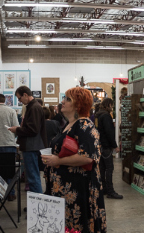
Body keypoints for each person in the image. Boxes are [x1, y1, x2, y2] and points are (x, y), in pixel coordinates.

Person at [41, 87, 106, 232]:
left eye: (68, 99)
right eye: (64, 98)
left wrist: (57, 161)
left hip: (79, 190)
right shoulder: (69, 125)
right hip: (67, 189)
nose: (62, 102)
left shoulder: (85, 125)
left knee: (78, 226)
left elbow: (88, 157)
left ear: (79, 105)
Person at [8, 86, 47, 194]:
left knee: (33, 177)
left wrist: (17, 129)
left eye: (19, 98)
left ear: (25, 95)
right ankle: (36, 204)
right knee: (33, 177)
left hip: (31, 146)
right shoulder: (33, 106)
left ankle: (37, 205)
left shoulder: (34, 107)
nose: (19, 101)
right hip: (31, 145)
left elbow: (33, 130)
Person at [95, 98, 123, 199]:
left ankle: (104, 189)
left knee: (102, 168)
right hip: (106, 146)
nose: (112, 107)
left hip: (100, 145)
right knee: (109, 168)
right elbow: (109, 133)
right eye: (112, 105)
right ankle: (110, 191)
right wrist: (115, 146)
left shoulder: (98, 115)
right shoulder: (106, 116)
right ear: (109, 105)